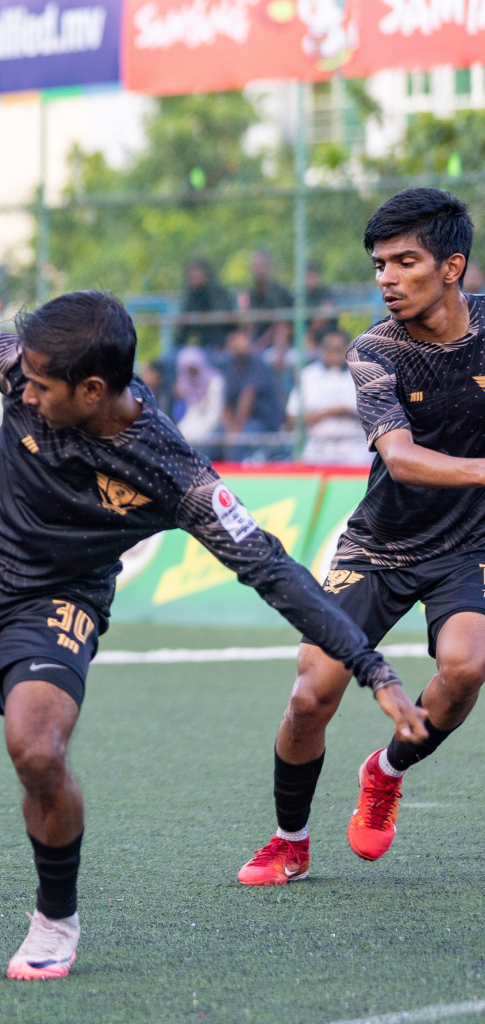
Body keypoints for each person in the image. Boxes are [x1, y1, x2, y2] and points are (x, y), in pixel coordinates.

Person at [0, 290, 423, 980]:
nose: (23, 391)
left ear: (92, 389)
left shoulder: (174, 474)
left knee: (36, 747)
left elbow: (275, 571)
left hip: (58, 602)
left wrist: (374, 670)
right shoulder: (18, 368)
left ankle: (55, 918)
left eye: (40, 385)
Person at [238, 188, 485, 885]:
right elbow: (400, 457)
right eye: (379, 264)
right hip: (379, 547)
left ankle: (384, 772)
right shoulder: (375, 349)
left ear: (451, 266)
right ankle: (291, 839)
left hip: (472, 548)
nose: (386, 278)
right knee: (311, 693)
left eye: (405, 262)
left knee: (467, 667)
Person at [286, 329, 367, 466]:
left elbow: (378, 417)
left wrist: (348, 412)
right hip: (317, 449)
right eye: (328, 348)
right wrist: (331, 412)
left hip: (355, 449)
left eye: (338, 349)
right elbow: (292, 418)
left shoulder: (364, 375)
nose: (333, 354)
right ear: (321, 349)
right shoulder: (308, 375)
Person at [220, 327, 284, 460]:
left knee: (239, 439)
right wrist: (228, 427)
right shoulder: (230, 367)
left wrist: (234, 431)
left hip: (263, 421)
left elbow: (247, 397)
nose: (238, 344)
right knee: (214, 436)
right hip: (242, 422)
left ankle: (234, 475)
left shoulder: (257, 364)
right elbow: (227, 405)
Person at [171, 345, 224, 450]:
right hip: (195, 423)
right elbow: (192, 411)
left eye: (193, 368)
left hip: (214, 425)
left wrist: (199, 431)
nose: (191, 372)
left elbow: (214, 413)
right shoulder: (188, 382)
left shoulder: (215, 382)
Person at [179, 258, 234, 352]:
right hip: (203, 345)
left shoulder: (217, 292)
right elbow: (183, 331)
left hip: (222, 344)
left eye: (197, 273)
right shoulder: (191, 297)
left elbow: (226, 322)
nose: (194, 277)